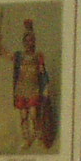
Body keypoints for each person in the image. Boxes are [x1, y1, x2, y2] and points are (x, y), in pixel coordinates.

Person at [12, 19, 53, 148]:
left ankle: (37, 135)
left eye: (31, 41)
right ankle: (27, 139)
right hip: (21, 89)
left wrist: (46, 86)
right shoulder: (19, 56)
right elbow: (7, 56)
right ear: (24, 42)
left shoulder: (38, 56)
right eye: (27, 41)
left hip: (34, 89)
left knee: (34, 115)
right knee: (23, 116)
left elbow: (43, 72)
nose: (29, 43)